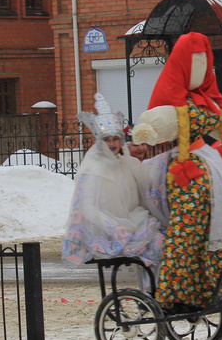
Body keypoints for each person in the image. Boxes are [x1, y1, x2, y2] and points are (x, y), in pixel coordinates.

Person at [131, 32, 222, 313]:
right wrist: (147, 130)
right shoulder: (176, 100)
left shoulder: (208, 100)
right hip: (187, 173)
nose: (201, 67)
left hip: (211, 170)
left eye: (204, 61)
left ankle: (208, 290)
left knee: (212, 233)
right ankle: (177, 294)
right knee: (187, 234)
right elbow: (160, 121)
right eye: (195, 61)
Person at [62, 93, 166, 269]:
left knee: (162, 240)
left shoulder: (128, 163)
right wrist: (112, 226)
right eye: (107, 140)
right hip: (107, 230)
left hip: (132, 221)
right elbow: (87, 207)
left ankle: (155, 284)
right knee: (155, 244)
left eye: (115, 139)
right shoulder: (93, 168)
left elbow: (143, 195)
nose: (112, 144)